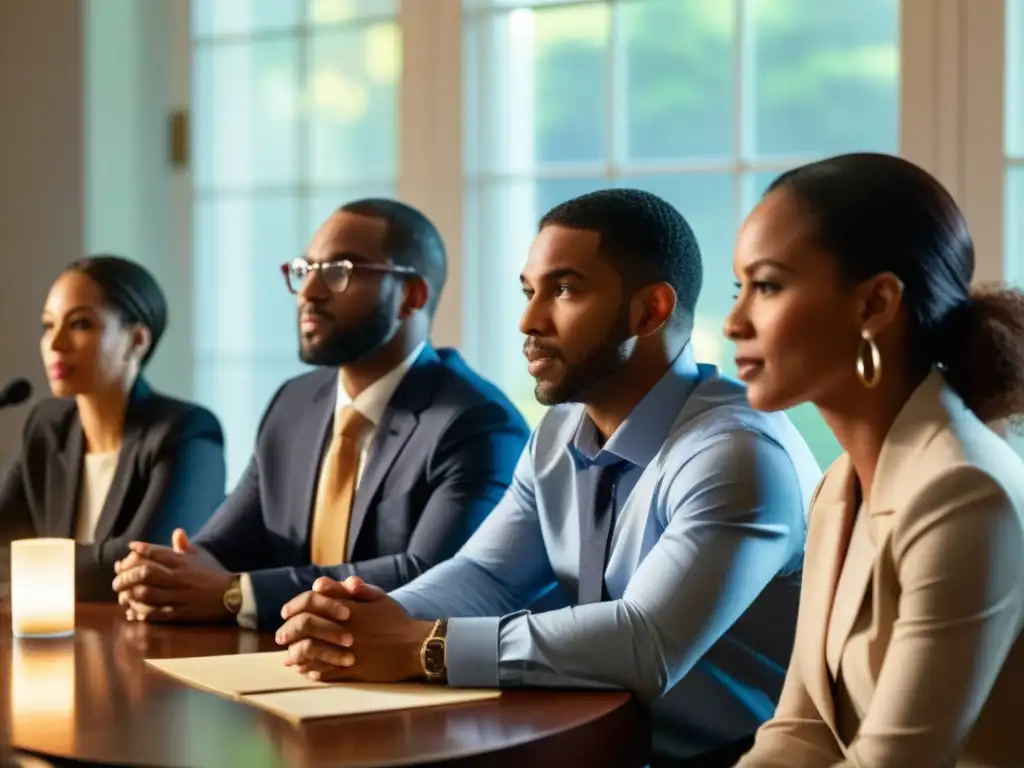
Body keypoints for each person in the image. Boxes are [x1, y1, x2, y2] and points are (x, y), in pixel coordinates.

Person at [271, 189, 822, 767]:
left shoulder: (737, 452)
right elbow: (489, 575)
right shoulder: (559, 430)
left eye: (564, 290)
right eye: (529, 291)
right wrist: (368, 621)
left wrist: (423, 646)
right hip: (584, 740)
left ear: (650, 310)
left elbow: (645, 644)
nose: (528, 320)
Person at [725, 153, 1024, 767]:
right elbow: (800, 729)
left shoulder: (964, 494)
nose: (734, 322)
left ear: (875, 304)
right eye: (740, 288)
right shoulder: (839, 484)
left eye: (768, 286)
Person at [112, 199, 529, 630]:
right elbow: (229, 541)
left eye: (338, 271)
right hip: (288, 662)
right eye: (305, 269)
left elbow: (430, 576)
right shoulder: (293, 404)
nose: (309, 291)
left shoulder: (477, 423)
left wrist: (237, 593)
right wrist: (171, 572)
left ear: (411, 296)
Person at [0, 255, 226, 601]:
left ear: (137, 340)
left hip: (155, 644)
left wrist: (30, 559)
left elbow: (145, 565)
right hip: (58, 635)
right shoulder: (46, 425)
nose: (55, 344)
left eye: (80, 325)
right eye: (48, 325)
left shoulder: (189, 432)